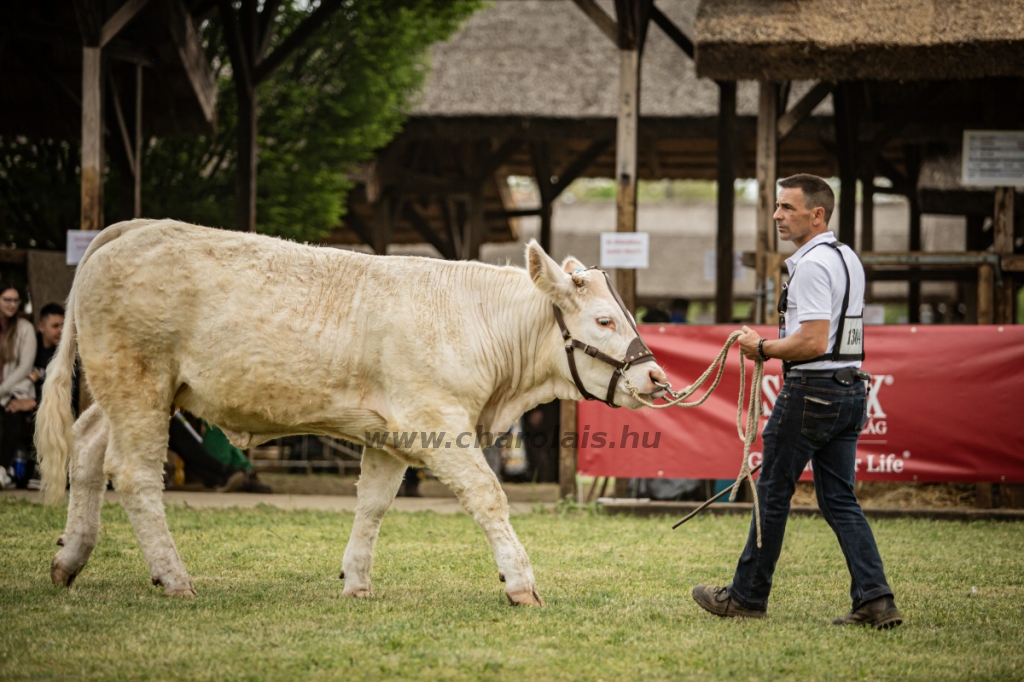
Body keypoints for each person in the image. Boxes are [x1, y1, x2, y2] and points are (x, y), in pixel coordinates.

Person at [691, 174, 901, 630]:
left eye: (787, 207)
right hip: (850, 389)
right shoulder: (847, 258)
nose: (777, 216)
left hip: (811, 391)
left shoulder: (809, 265)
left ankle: (747, 596)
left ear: (817, 214)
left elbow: (811, 341)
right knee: (840, 500)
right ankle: (876, 599)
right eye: (778, 207)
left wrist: (761, 347)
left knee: (772, 492)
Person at [0, 284, 37, 489]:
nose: (12, 304)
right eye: (7, 299)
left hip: (13, 388)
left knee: (12, 413)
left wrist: (2, 389)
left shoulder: (25, 328)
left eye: (15, 300)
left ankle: (2, 469)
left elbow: (25, 367)